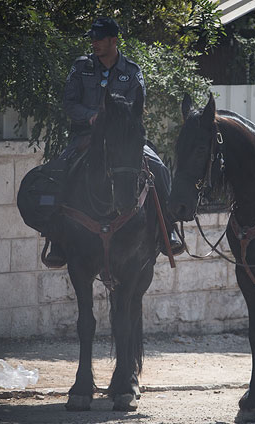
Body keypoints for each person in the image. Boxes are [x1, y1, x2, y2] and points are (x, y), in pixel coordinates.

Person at [44, 17, 182, 267]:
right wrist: (91, 117)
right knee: (59, 170)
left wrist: (111, 120)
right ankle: (56, 241)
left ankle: (168, 230)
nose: (94, 43)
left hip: (124, 139)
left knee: (159, 169)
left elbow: (136, 106)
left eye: (99, 39)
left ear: (113, 40)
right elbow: (69, 103)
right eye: (92, 39)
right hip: (85, 136)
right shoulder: (80, 66)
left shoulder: (132, 71)